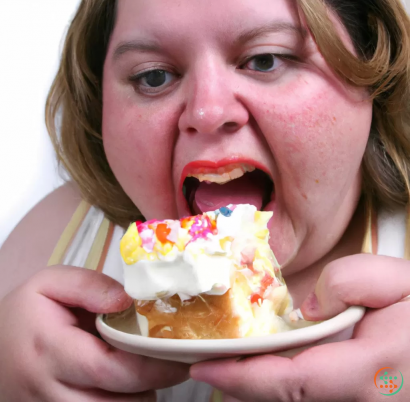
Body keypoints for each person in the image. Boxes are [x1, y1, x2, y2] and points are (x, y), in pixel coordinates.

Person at [1, 0, 410, 400]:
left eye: (266, 59)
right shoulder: (55, 242)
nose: (207, 111)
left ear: (374, 69)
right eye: (154, 76)